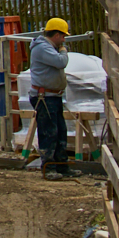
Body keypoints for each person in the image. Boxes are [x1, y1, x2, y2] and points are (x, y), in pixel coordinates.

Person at [30, 17, 73, 178]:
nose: (63, 40)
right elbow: (61, 62)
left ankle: (62, 166)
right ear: (56, 35)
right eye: (63, 36)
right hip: (44, 97)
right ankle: (48, 168)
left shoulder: (48, 47)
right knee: (49, 133)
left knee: (60, 131)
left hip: (52, 96)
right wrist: (63, 50)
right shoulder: (42, 48)